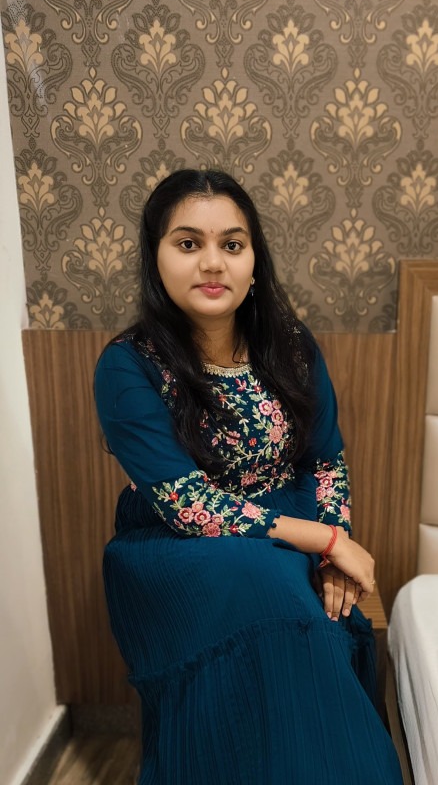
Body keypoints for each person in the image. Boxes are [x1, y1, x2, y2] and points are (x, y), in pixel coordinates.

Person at [94, 169, 403, 785]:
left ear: (254, 261)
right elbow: (188, 504)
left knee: (315, 602)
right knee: (267, 586)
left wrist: (332, 546)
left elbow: (325, 461)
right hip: (175, 545)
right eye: (188, 243)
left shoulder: (290, 345)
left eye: (231, 245)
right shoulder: (127, 365)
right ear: (155, 259)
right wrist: (325, 540)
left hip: (288, 528)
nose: (213, 263)